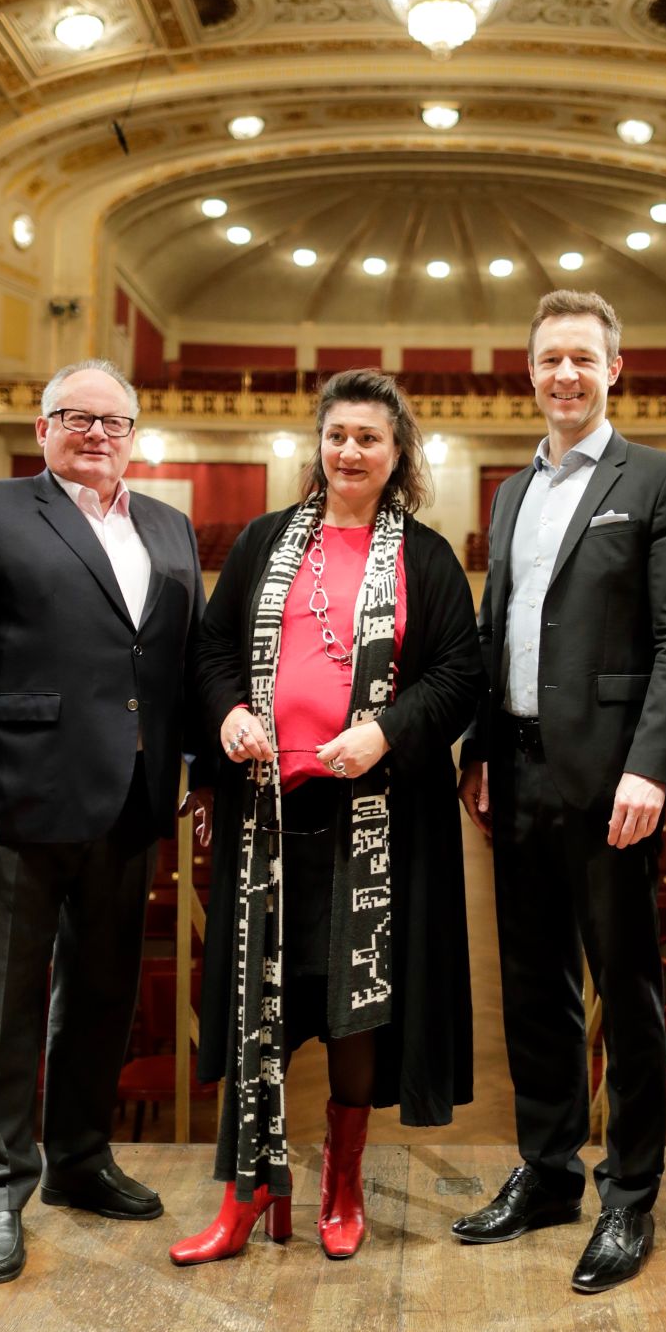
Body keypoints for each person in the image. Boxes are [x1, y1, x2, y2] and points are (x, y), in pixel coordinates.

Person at [0, 360, 208, 1285]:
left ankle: (80, 1159)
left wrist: (196, 769)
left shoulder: (168, 525)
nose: (97, 434)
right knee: (1, 1007)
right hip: (12, 798)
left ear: (135, 435)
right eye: (77, 417)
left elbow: (183, 663)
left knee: (103, 996)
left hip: (130, 798)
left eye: (115, 422)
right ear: (43, 429)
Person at [171, 368, 480, 1266]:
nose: (350, 451)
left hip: (374, 820)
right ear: (319, 444)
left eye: (368, 438)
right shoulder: (265, 540)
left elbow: (459, 673)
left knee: (355, 1006)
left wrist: (384, 733)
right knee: (255, 1003)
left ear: (397, 452)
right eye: (337, 434)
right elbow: (212, 649)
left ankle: (343, 1185)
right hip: (265, 814)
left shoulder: (425, 556)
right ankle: (247, 1190)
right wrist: (230, 711)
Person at [453, 290, 666, 1294]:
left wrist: (652, 765)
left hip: (612, 776)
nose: (566, 374)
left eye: (583, 358)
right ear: (530, 374)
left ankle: (630, 1192)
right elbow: (497, 631)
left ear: (614, 370)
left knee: (626, 987)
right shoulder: (510, 493)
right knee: (533, 985)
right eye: (550, 358)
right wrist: (479, 747)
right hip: (515, 769)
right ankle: (549, 1170)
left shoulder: (658, 479)